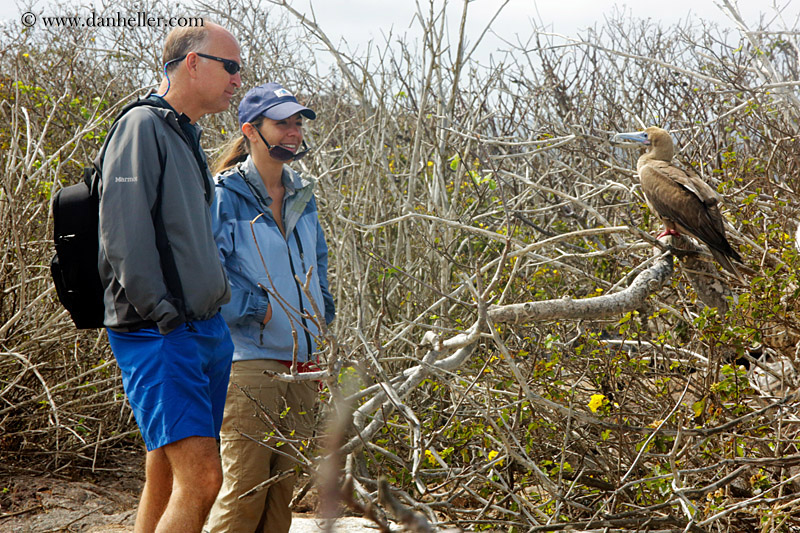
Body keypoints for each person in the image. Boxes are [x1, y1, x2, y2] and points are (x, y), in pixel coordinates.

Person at [97, 22, 241, 533]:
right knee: (202, 479)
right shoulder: (142, 126)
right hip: (159, 331)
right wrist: (164, 315)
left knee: (164, 470)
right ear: (193, 63)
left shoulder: (184, 132)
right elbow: (123, 235)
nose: (237, 80)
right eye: (231, 67)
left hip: (202, 328)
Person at [205, 82, 335, 533]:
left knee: (281, 493)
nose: (294, 131)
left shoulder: (304, 193)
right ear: (251, 130)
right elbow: (205, 272)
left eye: (298, 123)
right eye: (283, 123)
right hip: (249, 359)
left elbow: (317, 264)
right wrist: (253, 309)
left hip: (304, 361)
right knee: (244, 492)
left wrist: (323, 315)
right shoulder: (223, 194)